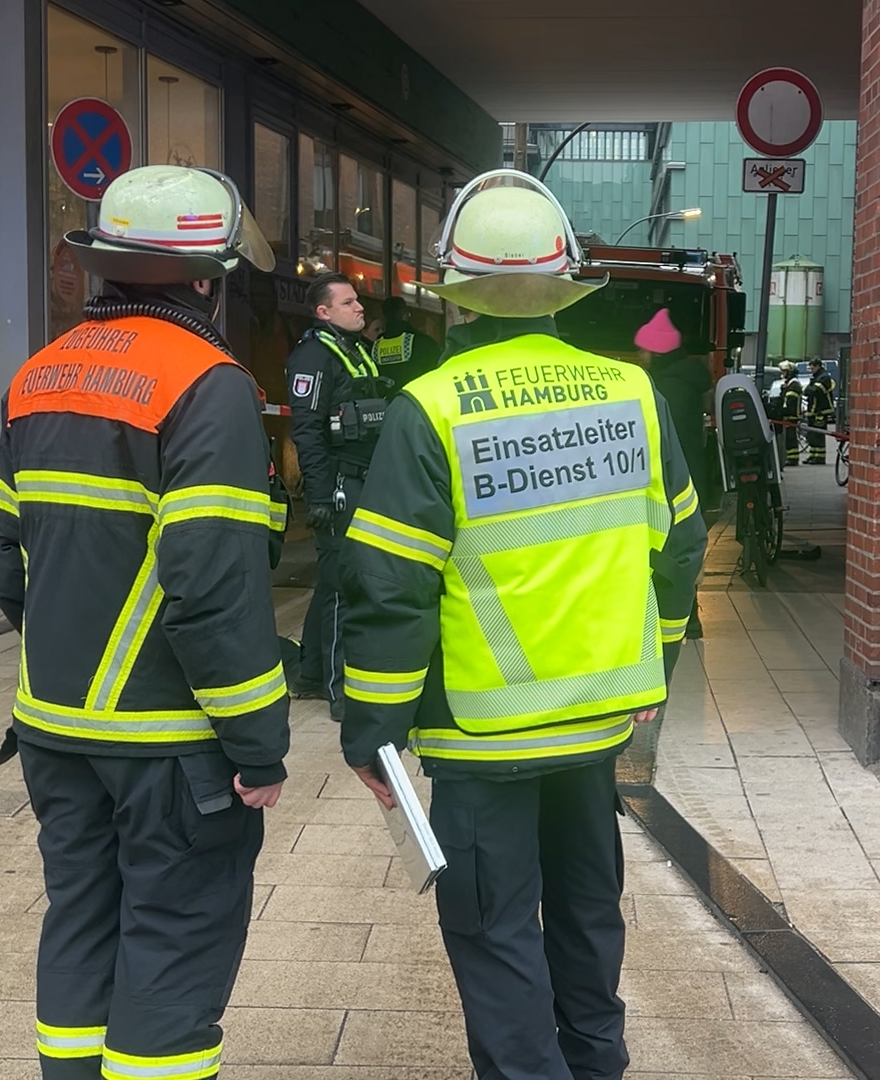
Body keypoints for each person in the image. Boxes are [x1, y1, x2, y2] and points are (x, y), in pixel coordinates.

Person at [338, 169, 707, 1080]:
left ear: (455, 295)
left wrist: (373, 734)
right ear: (562, 287)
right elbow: (684, 546)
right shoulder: (632, 395)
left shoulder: (430, 408)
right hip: (596, 721)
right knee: (588, 911)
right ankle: (596, 1066)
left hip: (481, 732)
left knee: (496, 930)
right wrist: (652, 669)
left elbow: (391, 590)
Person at [0, 164, 291, 1080]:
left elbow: (10, 565)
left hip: (53, 726)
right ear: (211, 275)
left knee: (78, 921)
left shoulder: (38, 375)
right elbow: (212, 585)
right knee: (173, 942)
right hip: (168, 741)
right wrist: (256, 744)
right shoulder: (210, 383)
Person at [284, 271, 393, 718]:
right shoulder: (313, 356)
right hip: (340, 483)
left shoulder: (356, 351)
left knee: (336, 581)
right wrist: (322, 497)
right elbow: (307, 432)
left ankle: (311, 674)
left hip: (362, 477)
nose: (360, 307)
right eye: (348, 303)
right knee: (338, 588)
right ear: (323, 311)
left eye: (357, 301)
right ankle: (337, 688)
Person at [637, 307, 711, 640]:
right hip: (694, 473)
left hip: (671, 481)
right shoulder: (691, 380)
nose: (640, 355)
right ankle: (689, 615)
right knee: (685, 547)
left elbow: (660, 442)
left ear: (657, 351)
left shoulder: (665, 388)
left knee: (669, 552)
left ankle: (680, 617)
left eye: (644, 349)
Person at [372, 294, 443, 389]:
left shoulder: (376, 345)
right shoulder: (422, 341)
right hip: (414, 396)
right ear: (405, 314)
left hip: (386, 399)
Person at [804, 358, 836, 465]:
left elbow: (814, 391)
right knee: (813, 434)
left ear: (818, 366)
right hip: (814, 410)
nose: (811, 369)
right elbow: (808, 390)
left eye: (812, 367)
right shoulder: (817, 377)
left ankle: (820, 457)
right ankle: (813, 455)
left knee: (818, 434)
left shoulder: (824, 377)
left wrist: (809, 389)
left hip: (821, 411)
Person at [775, 360, 803, 466]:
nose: (783, 374)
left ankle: (793, 459)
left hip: (791, 415)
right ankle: (790, 458)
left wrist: (783, 411)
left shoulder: (794, 385)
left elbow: (789, 402)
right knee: (788, 438)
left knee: (791, 438)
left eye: (784, 372)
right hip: (788, 415)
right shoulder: (789, 384)